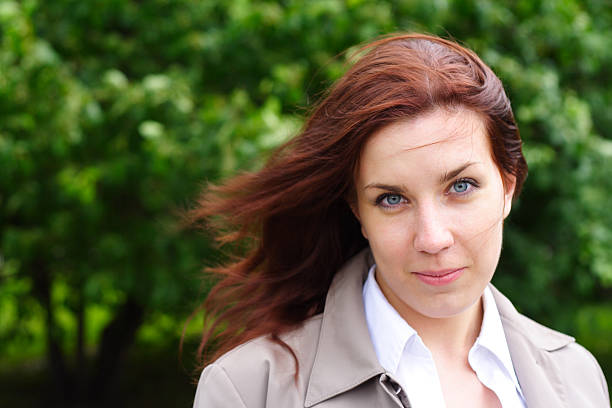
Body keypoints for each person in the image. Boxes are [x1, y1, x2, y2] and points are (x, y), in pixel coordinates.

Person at [190, 33, 609, 408]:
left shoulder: (577, 377)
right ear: (357, 210)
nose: (432, 238)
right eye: (392, 199)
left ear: (507, 187)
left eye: (460, 187)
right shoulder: (249, 390)